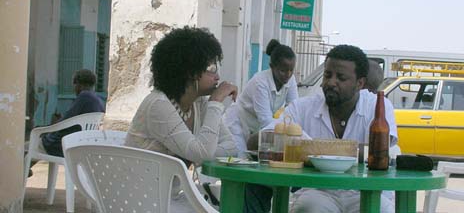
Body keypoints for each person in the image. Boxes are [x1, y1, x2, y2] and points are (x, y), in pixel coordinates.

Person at [269, 45, 398, 213]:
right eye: (327, 75)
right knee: (308, 209)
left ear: (360, 83)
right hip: (319, 191)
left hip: (365, 191)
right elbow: (268, 136)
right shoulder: (304, 106)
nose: (330, 82)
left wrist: (312, 150)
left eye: (341, 78)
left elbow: (378, 151)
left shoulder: (378, 106)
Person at [124, 27, 238, 213]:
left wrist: (196, 151)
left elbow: (230, 147)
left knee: (234, 202)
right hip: (143, 200)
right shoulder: (158, 104)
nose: (217, 76)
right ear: (190, 72)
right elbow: (202, 153)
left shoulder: (198, 103)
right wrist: (216, 101)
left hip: (170, 196)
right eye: (211, 68)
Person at [224, 39, 298, 155]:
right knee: (240, 159)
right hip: (236, 124)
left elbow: (295, 110)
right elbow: (266, 122)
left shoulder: (291, 80)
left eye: (291, 70)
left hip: (255, 128)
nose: (288, 75)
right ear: (272, 66)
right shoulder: (260, 82)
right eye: (283, 70)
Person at [40, 69, 105, 157]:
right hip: (81, 143)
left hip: (63, 144)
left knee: (30, 145)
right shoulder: (98, 100)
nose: (74, 88)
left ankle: (22, 169)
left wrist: (51, 125)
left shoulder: (84, 96)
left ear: (78, 84)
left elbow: (65, 121)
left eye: (74, 85)